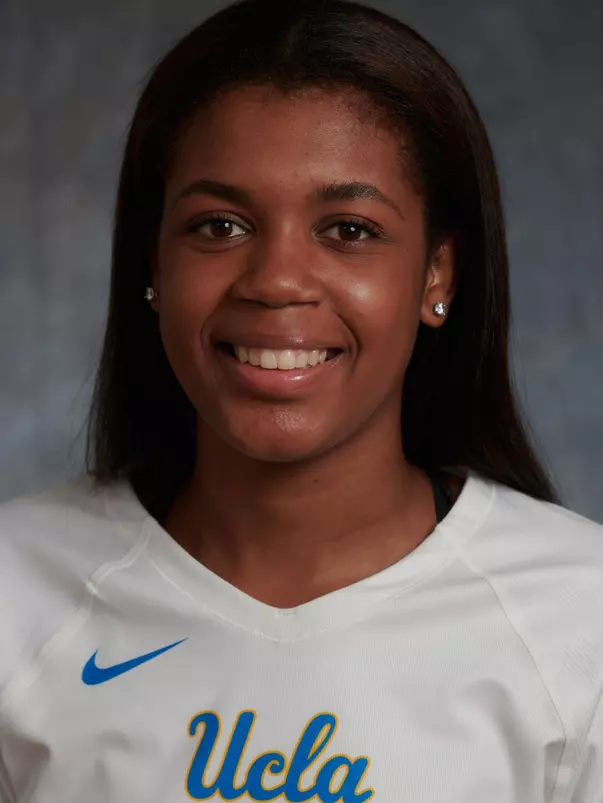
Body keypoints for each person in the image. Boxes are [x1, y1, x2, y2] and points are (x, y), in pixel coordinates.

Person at [1, 0, 602, 800]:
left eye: (348, 230)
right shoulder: (16, 590)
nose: (277, 279)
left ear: (437, 276)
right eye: (219, 225)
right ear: (153, 264)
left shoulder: (577, 617)